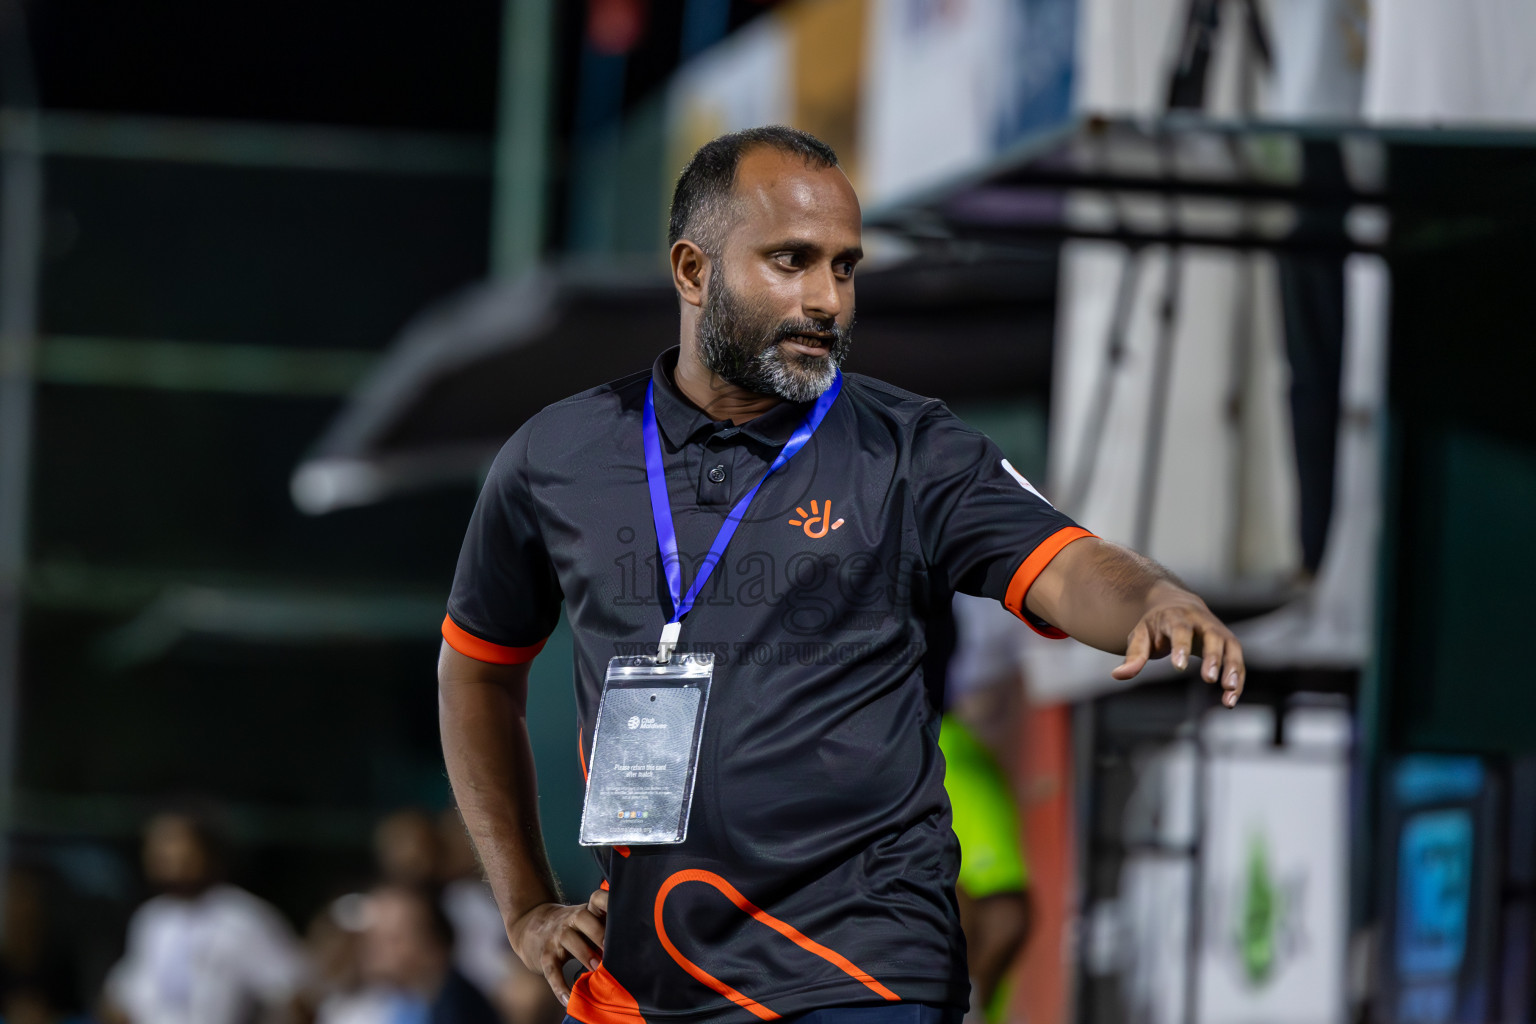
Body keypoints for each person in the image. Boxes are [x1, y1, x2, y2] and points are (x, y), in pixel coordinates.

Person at [437, 126, 1246, 1024]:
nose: (828, 298)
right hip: (647, 983)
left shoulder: (911, 448)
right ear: (693, 270)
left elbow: (1067, 562)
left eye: (845, 267)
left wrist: (1153, 597)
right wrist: (523, 907)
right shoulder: (557, 455)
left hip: (860, 969)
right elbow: (476, 671)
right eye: (793, 261)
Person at [100, 811, 309, 1024]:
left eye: (175, 841)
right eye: (157, 843)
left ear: (207, 849)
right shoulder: (151, 917)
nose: (166, 853)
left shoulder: (240, 916)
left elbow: (293, 995)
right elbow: (121, 995)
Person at [358, 885, 501, 1024]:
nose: (374, 949)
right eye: (372, 937)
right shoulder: (413, 1002)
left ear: (433, 945)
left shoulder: (459, 1009)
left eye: (392, 939)